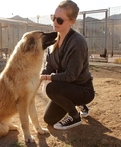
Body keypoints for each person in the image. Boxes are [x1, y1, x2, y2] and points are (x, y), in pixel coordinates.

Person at [40, 0, 95, 130]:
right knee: (49, 119)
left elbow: (71, 76)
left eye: (59, 20)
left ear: (71, 22)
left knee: (51, 88)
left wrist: (47, 77)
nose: (54, 22)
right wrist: (40, 76)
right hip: (66, 87)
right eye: (53, 18)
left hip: (83, 89)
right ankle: (78, 104)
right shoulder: (53, 42)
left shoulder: (78, 42)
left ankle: (75, 116)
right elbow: (49, 66)